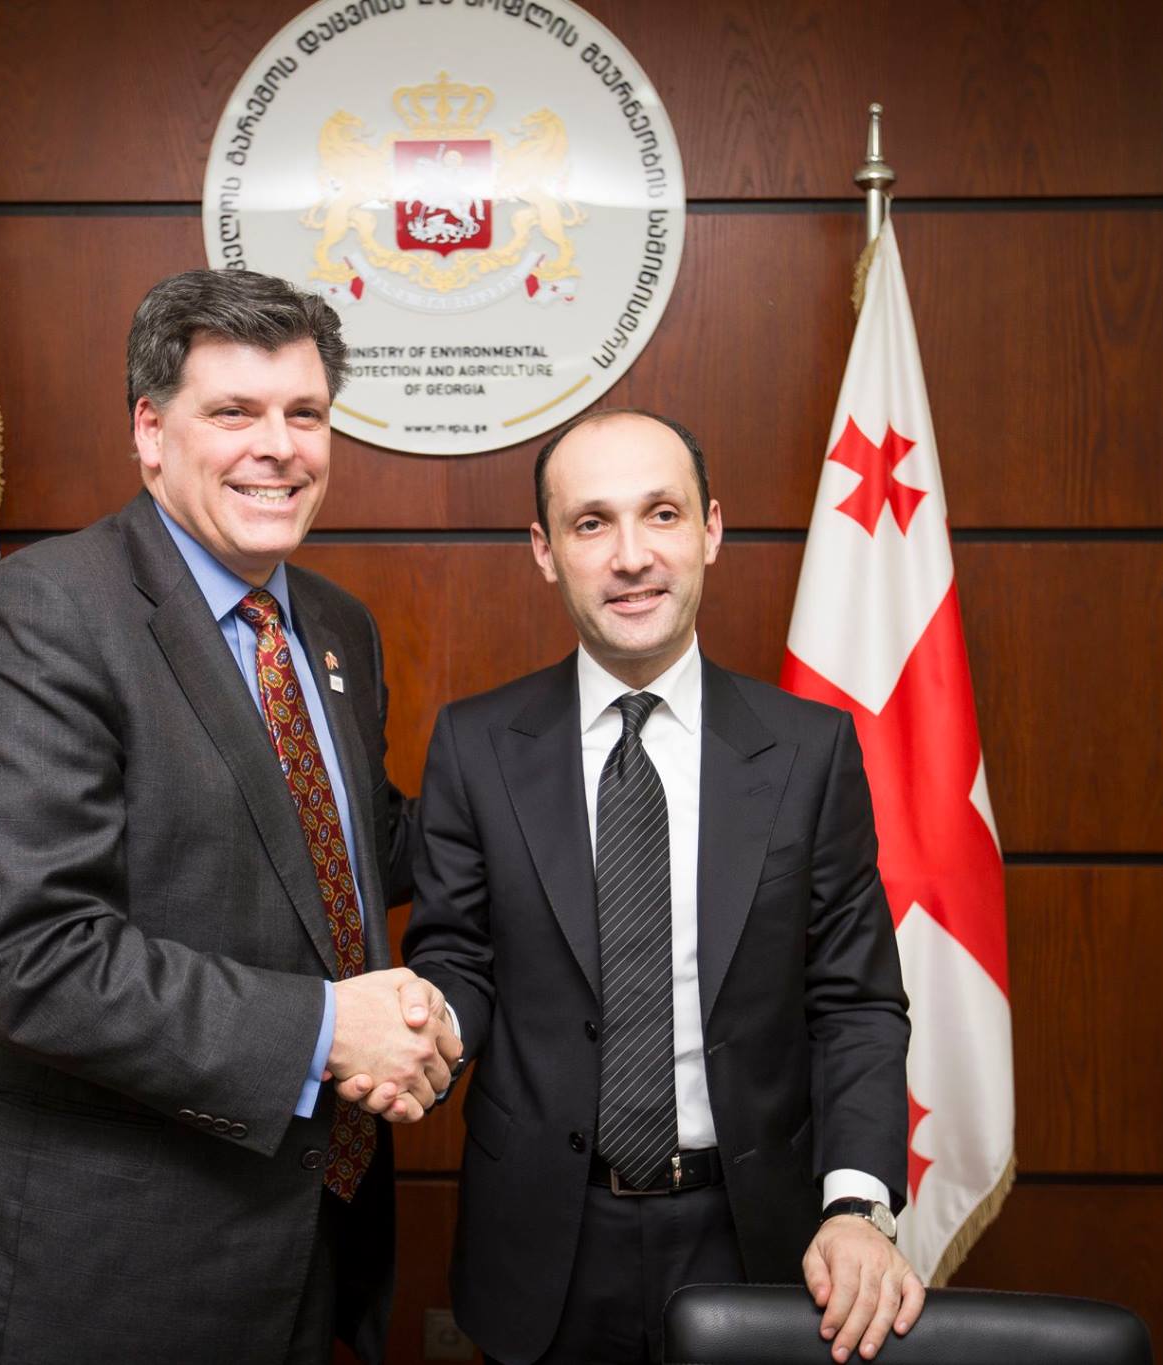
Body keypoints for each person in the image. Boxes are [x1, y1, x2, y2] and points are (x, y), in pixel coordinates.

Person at [0, 269, 459, 1365]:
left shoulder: (335, 629)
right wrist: (322, 1030)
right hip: (102, 1275)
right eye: (234, 412)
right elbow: (28, 954)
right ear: (150, 433)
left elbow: (346, 855)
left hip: (306, 1242)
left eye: (305, 413)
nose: (279, 448)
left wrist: (567, 747)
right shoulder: (46, 612)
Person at [396, 410, 925, 1364]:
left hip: (759, 1236)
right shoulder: (475, 747)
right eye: (591, 522)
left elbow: (855, 1002)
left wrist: (857, 1205)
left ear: (711, 530)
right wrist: (425, 1032)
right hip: (541, 1244)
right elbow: (457, 957)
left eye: (663, 514)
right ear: (545, 550)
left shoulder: (809, 752)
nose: (632, 555)